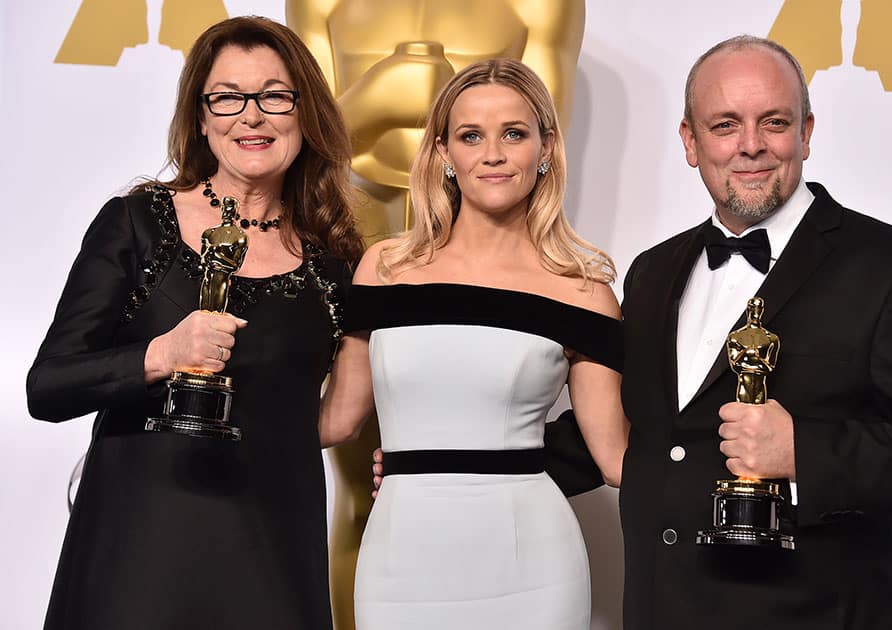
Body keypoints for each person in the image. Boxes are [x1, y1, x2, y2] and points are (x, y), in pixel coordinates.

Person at [537, 35, 892, 630]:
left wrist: (802, 453)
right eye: (725, 124)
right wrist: (440, 460)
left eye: (773, 122)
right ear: (690, 142)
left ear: (806, 132)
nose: (750, 145)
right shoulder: (654, 271)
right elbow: (635, 426)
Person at [27, 16, 363, 630]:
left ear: (304, 111)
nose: (251, 116)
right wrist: (162, 352)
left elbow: (341, 414)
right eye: (228, 97)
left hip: (274, 557)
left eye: (274, 95)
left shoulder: (338, 260)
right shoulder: (137, 224)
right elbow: (47, 386)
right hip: (140, 552)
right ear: (202, 118)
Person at [319, 58, 629, 630]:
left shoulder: (583, 290)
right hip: (400, 560)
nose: (493, 153)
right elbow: (336, 421)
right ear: (443, 154)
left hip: (532, 562)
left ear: (546, 149)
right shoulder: (384, 268)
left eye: (514, 133)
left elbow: (615, 458)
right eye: (470, 136)